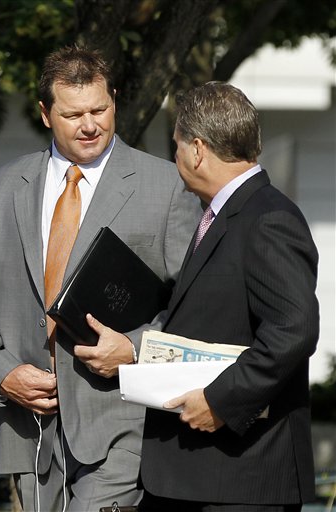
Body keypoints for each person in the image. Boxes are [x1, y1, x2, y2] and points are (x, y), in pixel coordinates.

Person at [0, 46, 200, 512]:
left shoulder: (167, 187)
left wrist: (136, 347)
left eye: (100, 109)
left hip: (122, 426)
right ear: (45, 113)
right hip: (31, 431)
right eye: (73, 114)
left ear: (115, 101)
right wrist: (4, 375)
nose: (90, 124)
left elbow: (195, 303)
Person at [88, 82, 320, 511]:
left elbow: (295, 330)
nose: (174, 158)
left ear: (197, 149)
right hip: (197, 478)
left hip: (241, 479)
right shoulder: (218, 216)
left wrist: (221, 400)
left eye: (175, 146)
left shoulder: (268, 218)